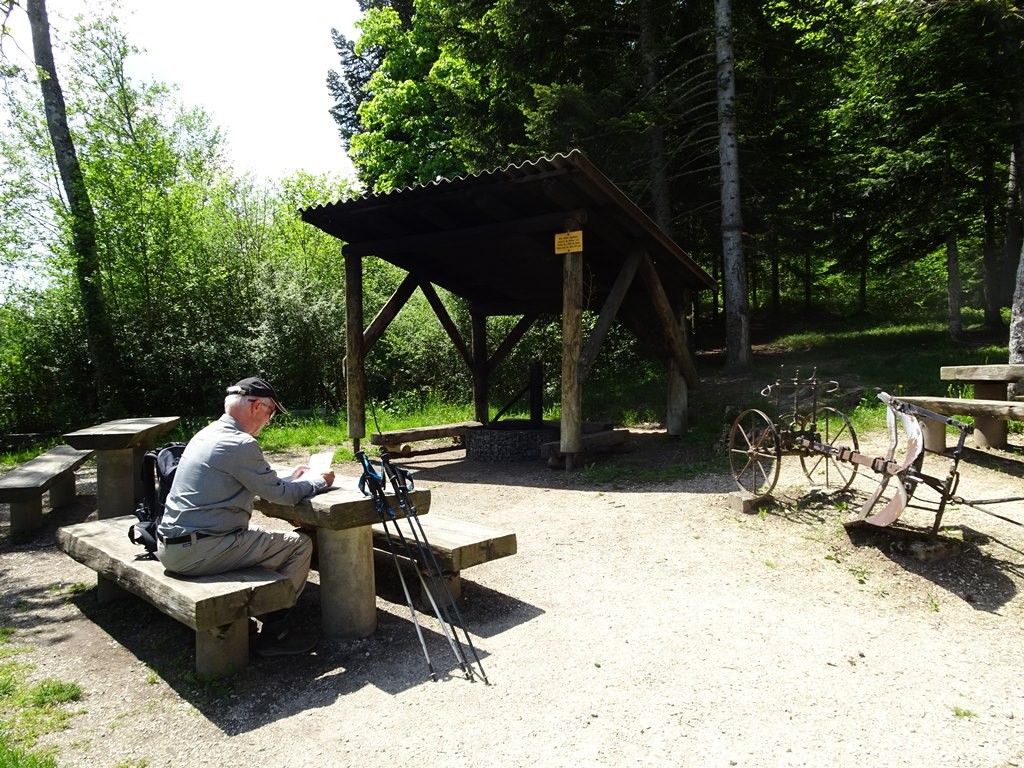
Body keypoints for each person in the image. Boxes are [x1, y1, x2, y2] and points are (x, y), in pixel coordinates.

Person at [156, 376, 335, 657]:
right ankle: (277, 631)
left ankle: (269, 611)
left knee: (273, 543)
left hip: (174, 545)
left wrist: (289, 479)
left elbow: (263, 486)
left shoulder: (207, 433)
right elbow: (283, 496)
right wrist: (318, 482)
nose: (269, 421)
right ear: (255, 407)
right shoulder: (241, 444)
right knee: (299, 546)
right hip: (201, 548)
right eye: (271, 412)